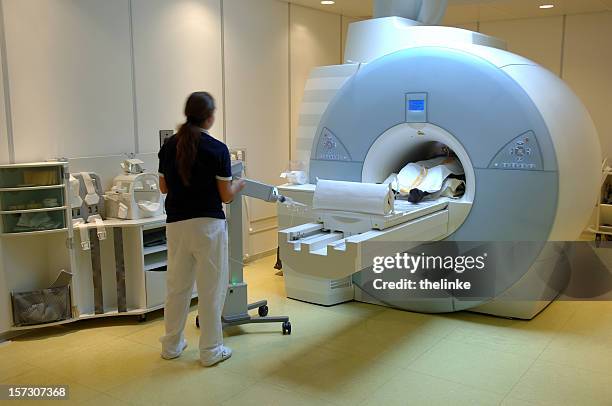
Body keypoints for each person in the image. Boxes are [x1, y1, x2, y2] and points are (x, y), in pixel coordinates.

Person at [158, 91, 245, 367]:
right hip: (208, 226)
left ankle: (171, 345)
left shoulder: (169, 146)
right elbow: (225, 196)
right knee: (210, 288)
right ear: (209, 117)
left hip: (177, 226)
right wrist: (239, 184)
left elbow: (163, 187)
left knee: (177, 288)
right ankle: (210, 351)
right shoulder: (217, 149)